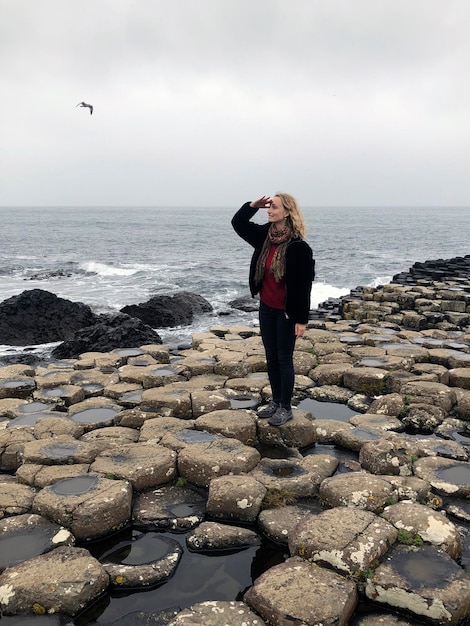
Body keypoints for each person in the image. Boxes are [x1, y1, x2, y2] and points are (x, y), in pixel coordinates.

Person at [231, 193, 315, 426]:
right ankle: (276, 402)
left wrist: (301, 320)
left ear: (287, 212)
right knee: (271, 357)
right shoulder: (263, 237)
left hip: (287, 313)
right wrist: (252, 206)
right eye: (268, 207)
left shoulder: (299, 247)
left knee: (284, 359)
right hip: (267, 307)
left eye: (273, 207)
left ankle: (286, 407)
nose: (269, 210)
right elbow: (238, 223)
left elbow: (303, 286)